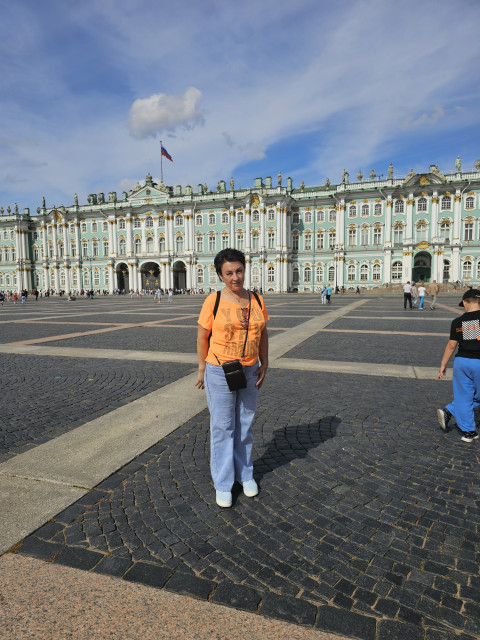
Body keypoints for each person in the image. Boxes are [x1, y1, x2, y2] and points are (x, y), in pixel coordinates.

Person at [195, 248, 269, 508]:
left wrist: (265, 362)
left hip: (249, 369)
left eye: (238, 271)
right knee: (223, 427)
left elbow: (263, 333)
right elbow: (202, 337)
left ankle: (245, 474)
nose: (235, 277)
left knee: (245, 424)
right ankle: (224, 483)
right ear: (220, 275)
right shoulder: (213, 301)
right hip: (219, 370)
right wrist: (202, 369)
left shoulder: (257, 300)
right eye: (229, 273)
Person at [437, 289, 480, 442]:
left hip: (462, 362)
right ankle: (451, 411)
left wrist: (443, 364)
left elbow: (451, 345)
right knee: (475, 396)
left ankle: (468, 433)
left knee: (463, 396)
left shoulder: (457, 322)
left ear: (465, 303)